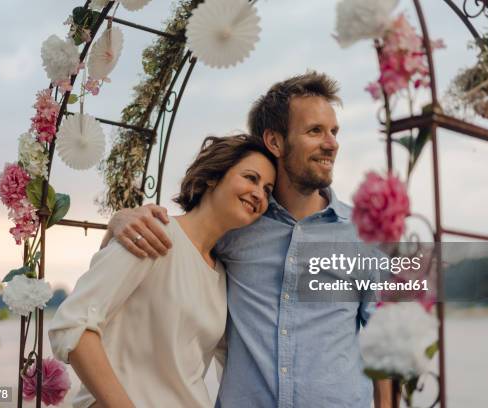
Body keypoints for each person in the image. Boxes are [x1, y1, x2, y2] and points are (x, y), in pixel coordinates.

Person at [106, 72, 392, 407]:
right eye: (315, 131)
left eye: (333, 131)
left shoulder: (363, 235)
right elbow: (181, 238)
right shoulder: (236, 224)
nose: (331, 143)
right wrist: (120, 218)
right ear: (275, 141)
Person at [48, 134, 276, 408]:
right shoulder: (152, 232)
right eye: (251, 178)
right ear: (213, 176)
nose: (259, 194)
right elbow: (73, 324)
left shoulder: (223, 275)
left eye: (268, 190)